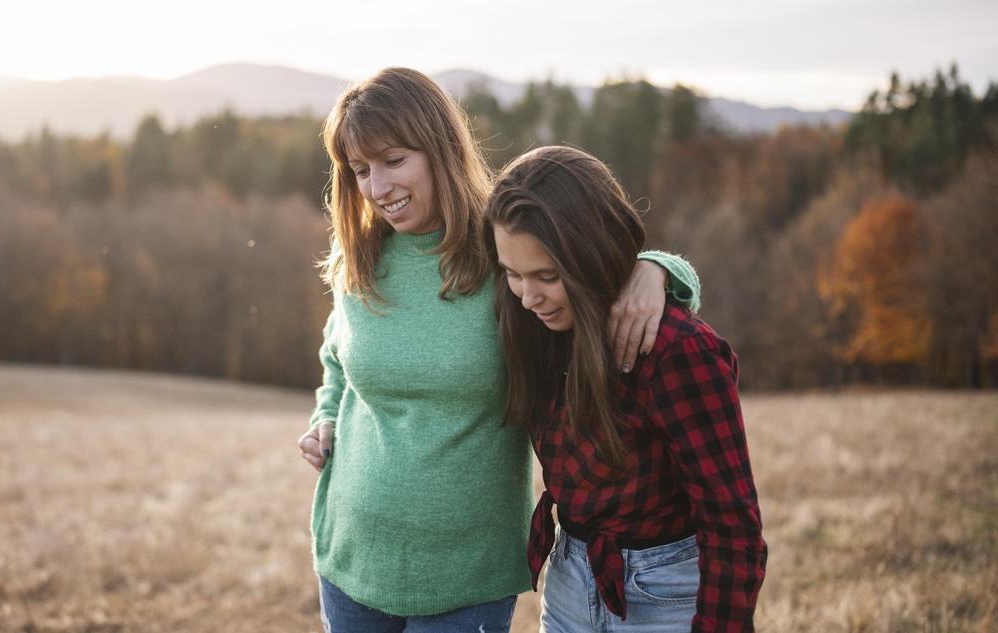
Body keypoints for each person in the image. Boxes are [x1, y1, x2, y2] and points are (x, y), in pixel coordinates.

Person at [296, 68, 701, 632]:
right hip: (351, 552)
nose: (377, 188)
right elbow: (337, 357)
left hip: (468, 569)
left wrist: (659, 269)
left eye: (394, 161)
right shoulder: (361, 258)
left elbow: (593, 264)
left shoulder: (504, 251)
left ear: (440, 148)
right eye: (360, 170)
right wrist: (324, 417)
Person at [485, 145, 766, 632]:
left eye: (547, 277)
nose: (528, 297)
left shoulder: (678, 350)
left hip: (667, 592)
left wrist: (655, 267)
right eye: (512, 274)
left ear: (590, 256)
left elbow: (732, 526)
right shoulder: (532, 325)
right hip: (570, 575)